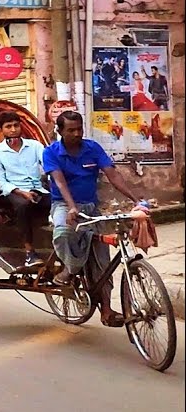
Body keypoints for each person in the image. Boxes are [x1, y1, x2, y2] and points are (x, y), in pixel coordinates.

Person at [44, 110, 143, 328]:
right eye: (71, 130)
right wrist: (71, 207)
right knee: (61, 233)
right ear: (59, 131)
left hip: (91, 207)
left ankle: (106, 310)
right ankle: (70, 269)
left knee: (102, 260)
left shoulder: (93, 148)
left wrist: (137, 200)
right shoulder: (51, 152)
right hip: (64, 205)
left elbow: (113, 174)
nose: (77, 133)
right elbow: (59, 182)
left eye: (79, 128)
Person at [0, 111, 49, 267]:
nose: (13, 129)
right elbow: (0, 181)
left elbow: (49, 166)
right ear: (2, 130)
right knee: (23, 206)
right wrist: (21, 192)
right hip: (13, 192)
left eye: (16, 125)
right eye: (9, 126)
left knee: (59, 203)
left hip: (38, 189)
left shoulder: (35, 146)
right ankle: (30, 253)